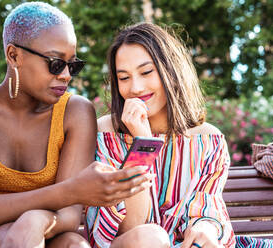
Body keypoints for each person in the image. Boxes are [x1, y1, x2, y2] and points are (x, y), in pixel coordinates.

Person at [0, 3, 153, 248]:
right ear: (14, 55)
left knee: (73, 244)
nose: (66, 75)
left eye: (73, 65)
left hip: (48, 236)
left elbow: (69, 218)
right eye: (56, 63)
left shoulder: (75, 111)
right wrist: (68, 193)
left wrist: (35, 220)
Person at [85, 22, 236, 248]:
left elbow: (206, 209)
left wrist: (205, 229)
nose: (135, 88)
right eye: (124, 78)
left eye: (146, 72)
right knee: (150, 238)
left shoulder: (208, 141)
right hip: (132, 243)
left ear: (171, 72)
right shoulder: (105, 134)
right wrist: (143, 144)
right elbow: (130, 228)